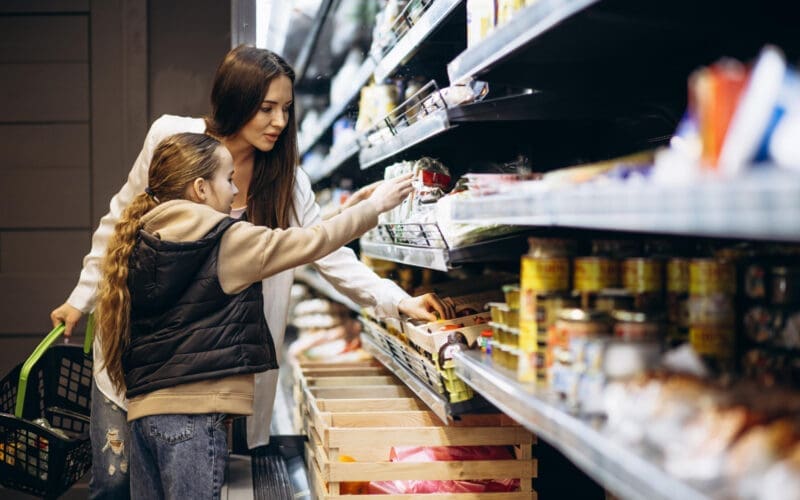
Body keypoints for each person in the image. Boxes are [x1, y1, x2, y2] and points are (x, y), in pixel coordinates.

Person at [50, 45, 454, 499]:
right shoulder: (172, 139)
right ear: (237, 100)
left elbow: (330, 255)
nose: (279, 122)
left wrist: (398, 300)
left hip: (207, 374)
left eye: (286, 109)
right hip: (134, 355)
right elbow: (120, 222)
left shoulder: (286, 181)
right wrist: (80, 298)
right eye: (266, 108)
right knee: (114, 482)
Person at [94, 132, 412, 499]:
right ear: (200, 188)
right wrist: (374, 208)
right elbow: (309, 244)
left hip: (143, 418)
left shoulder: (140, 237)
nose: (234, 191)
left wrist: (343, 212)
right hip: (193, 423)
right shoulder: (224, 240)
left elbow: (289, 239)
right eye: (227, 179)